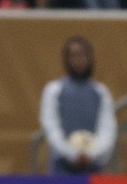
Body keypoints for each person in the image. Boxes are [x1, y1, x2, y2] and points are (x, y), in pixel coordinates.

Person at [40, 35, 117, 173]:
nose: (79, 60)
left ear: (90, 58)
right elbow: (51, 127)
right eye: (74, 56)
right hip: (61, 168)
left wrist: (92, 155)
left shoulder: (101, 92)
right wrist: (72, 154)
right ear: (67, 59)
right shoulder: (54, 90)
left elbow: (107, 127)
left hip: (93, 168)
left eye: (82, 55)